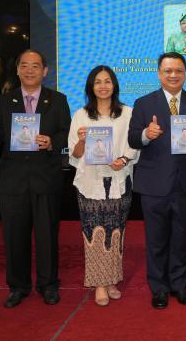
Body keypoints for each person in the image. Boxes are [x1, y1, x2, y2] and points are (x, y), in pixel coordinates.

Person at [128, 52, 186, 309]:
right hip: (154, 184)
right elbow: (133, 138)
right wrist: (147, 133)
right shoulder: (144, 103)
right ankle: (159, 288)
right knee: (156, 239)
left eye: (178, 70)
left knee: (181, 238)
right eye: (168, 71)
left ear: (185, 73)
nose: (173, 75)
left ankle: (179, 285)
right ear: (159, 74)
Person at [0, 49, 71, 308]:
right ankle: (18, 286)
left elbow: (66, 132)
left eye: (35, 66)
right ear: (17, 70)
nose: (29, 70)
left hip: (45, 178)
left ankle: (48, 285)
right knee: (14, 237)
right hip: (13, 180)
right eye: (24, 65)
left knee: (47, 236)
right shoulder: (3, 101)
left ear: (44, 71)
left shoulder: (57, 100)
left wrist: (52, 142)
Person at [68, 65, 138, 307]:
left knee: (116, 231)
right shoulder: (81, 115)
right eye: (98, 82)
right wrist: (81, 140)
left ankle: (112, 280)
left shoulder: (127, 113)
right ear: (91, 86)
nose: (103, 86)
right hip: (90, 183)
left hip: (119, 181)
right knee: (94, 232)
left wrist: (124, 159)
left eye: (107, 81)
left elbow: (133, 145)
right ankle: (99, 283)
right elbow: (75, 155)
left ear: (114, 85)